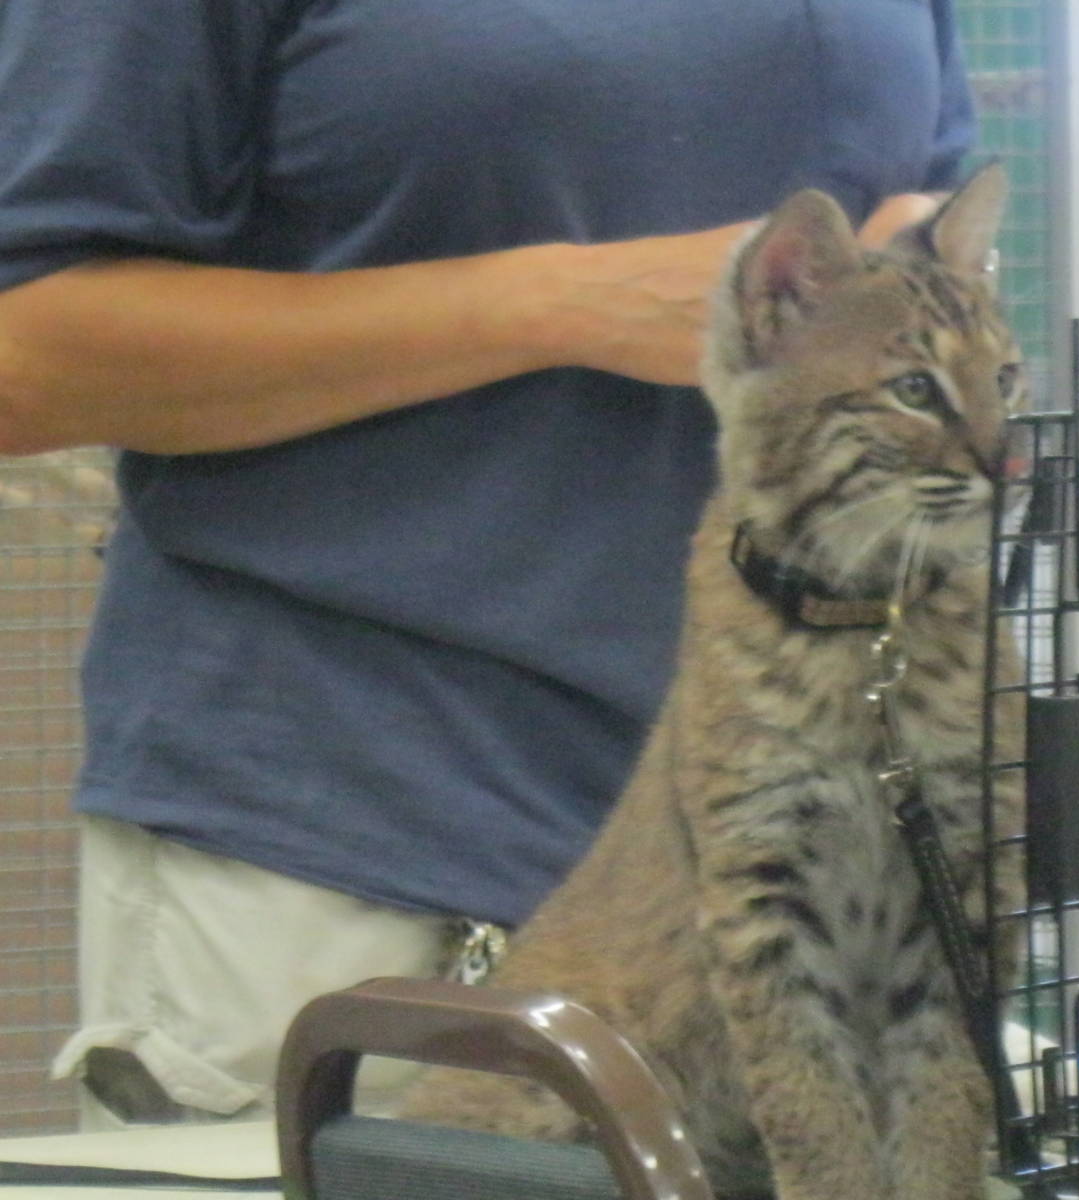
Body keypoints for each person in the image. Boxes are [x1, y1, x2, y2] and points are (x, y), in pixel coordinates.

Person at [0, 0, 979, 1129]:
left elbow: (927, 229)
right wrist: (554, 303)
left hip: (797, 849)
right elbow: (28, 353)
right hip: (359, 828)